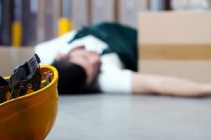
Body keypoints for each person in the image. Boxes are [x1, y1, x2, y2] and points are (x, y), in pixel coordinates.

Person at [35, 22, 211, 97]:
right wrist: (206, 88)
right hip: (138, 40)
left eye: (84, 57)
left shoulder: (46, 51)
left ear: (62, 55)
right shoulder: (106, 79)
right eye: (92, 70)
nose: (94, 60)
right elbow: (159, 84)